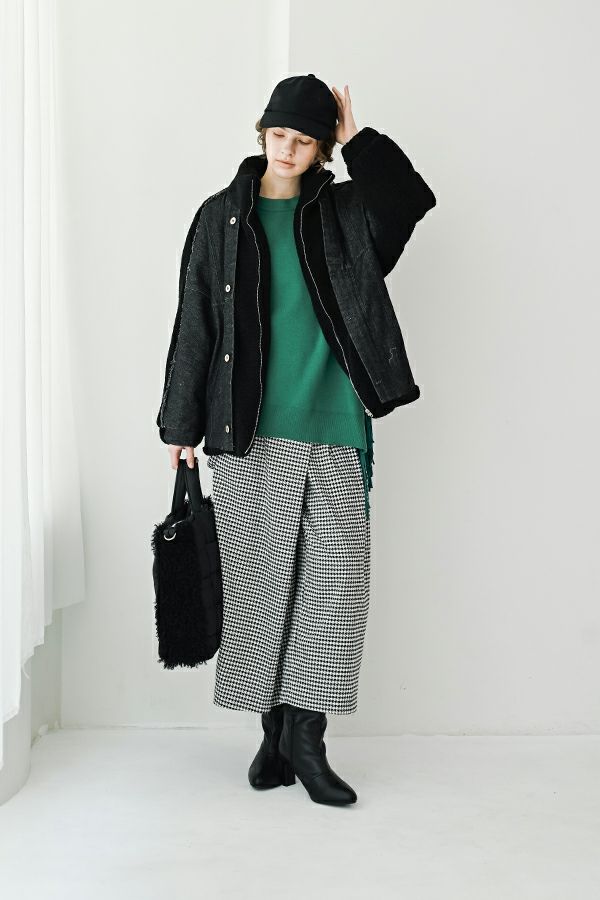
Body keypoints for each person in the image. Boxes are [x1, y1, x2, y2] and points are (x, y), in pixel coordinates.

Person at [156, 73, 436, 806]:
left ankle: (309, 743)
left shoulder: (347, 214)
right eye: (278, 134)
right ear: (261, 135)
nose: (287, 149)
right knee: (259, 589)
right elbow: (194, 321)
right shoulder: (219, 217)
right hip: (246, 432)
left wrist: (356, 137)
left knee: (333, 592)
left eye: (304, 140)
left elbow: (410, 198)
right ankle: (273, 735)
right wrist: (180, 425)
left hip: (336, 426)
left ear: (321, 149)